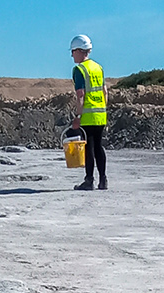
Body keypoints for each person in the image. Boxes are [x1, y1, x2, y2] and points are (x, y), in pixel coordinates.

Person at [70, 34, 107, 191]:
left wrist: (78, 116)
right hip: (100, 114)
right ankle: (103, 180)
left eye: (72, 51)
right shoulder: (98, 68)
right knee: (99, 147)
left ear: (79, 50)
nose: (72, 55)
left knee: (88, 148)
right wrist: (104, 110)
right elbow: (105, 91)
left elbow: (80, 95)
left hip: (87, 115)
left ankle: (89, 180)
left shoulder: (79, 70)